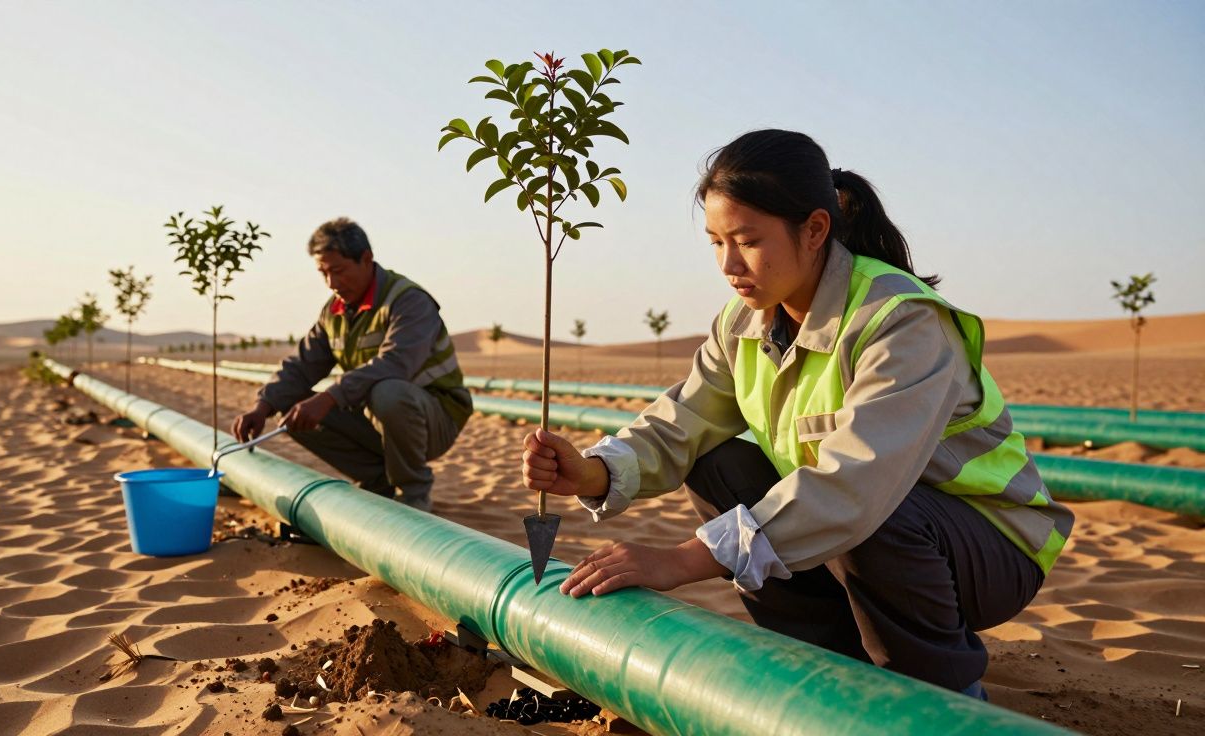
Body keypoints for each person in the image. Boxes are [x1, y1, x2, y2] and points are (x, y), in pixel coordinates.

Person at [519, 130, 1073, 699]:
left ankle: (940, 698)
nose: (729, 264)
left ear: (814, 230)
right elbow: (682, 419)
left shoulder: (899, 320)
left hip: (987, 546)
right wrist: (593, 472)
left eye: (748, 240)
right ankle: (828, 671)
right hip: (857, 538)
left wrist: (684, 560)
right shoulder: (743, 323)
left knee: (878, 508)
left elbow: (857, 481)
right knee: (719, 463)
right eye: (715, 242)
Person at [233, 218, 472, 512]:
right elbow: (301, 364)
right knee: (292, 406)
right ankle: (376, 481)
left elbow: (396, 363)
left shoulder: (408, 301)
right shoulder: (333, 312)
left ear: (366, 259)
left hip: (434, 418)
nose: (332, 283)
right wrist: (262, 406)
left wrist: (330, 397)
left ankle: (414, 492)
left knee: (388, 392)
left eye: (339, 271)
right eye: (323, 273)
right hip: (375, 417)